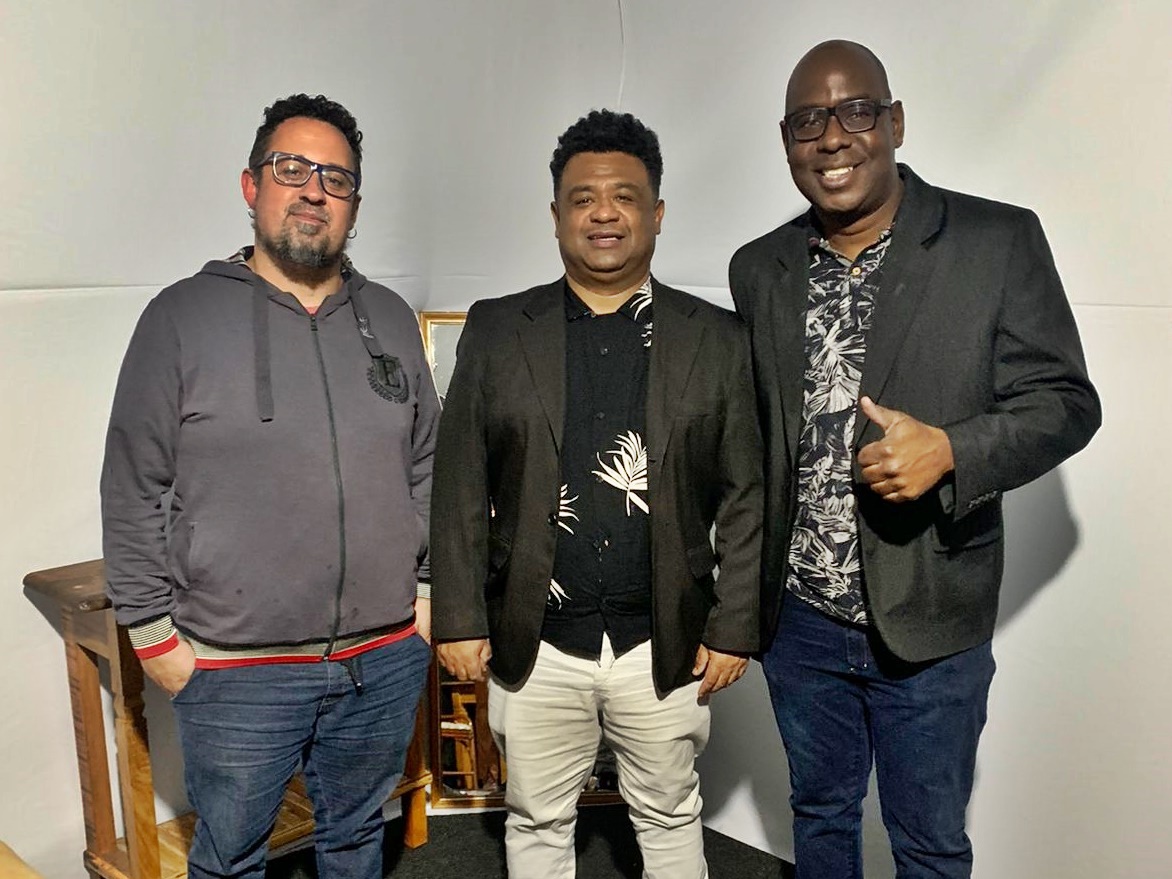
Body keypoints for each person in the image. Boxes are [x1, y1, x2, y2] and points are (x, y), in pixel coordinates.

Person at [729, 40, 1101, 879]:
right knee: (820, 820)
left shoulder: (996, 240)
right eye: (808, 121)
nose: (833, 137)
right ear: (786, 142)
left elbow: (1068, 402)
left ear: (894, 122)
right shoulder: (758, 268)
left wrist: (952, 449)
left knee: (929, 844)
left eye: (856, 111)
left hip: (932, 620)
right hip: (799, 622)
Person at [100, 94, 438, 878]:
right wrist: (152, 634)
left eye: (336, 178)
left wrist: (426, 594)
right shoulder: (180, 316)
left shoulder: (389, 319)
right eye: (293, 169)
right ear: (252, 186)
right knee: (230, 858)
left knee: (357, 837)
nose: (314, 190)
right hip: (236, 672)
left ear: (354, 204)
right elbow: (132, 482)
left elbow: (430, 463)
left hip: (383, 658)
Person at [431, 109, 763, 878]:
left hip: (667, 638)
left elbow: (747, 491)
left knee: (670, 815)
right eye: (583, 198)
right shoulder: (497, 329)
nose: (603, 213)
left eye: (624, 196)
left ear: (657, 212)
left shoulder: (718, 338)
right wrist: (459, 615)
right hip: (536, 637)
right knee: (537, 820)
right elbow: (458, 482)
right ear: (556, 215)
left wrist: (735, 624)